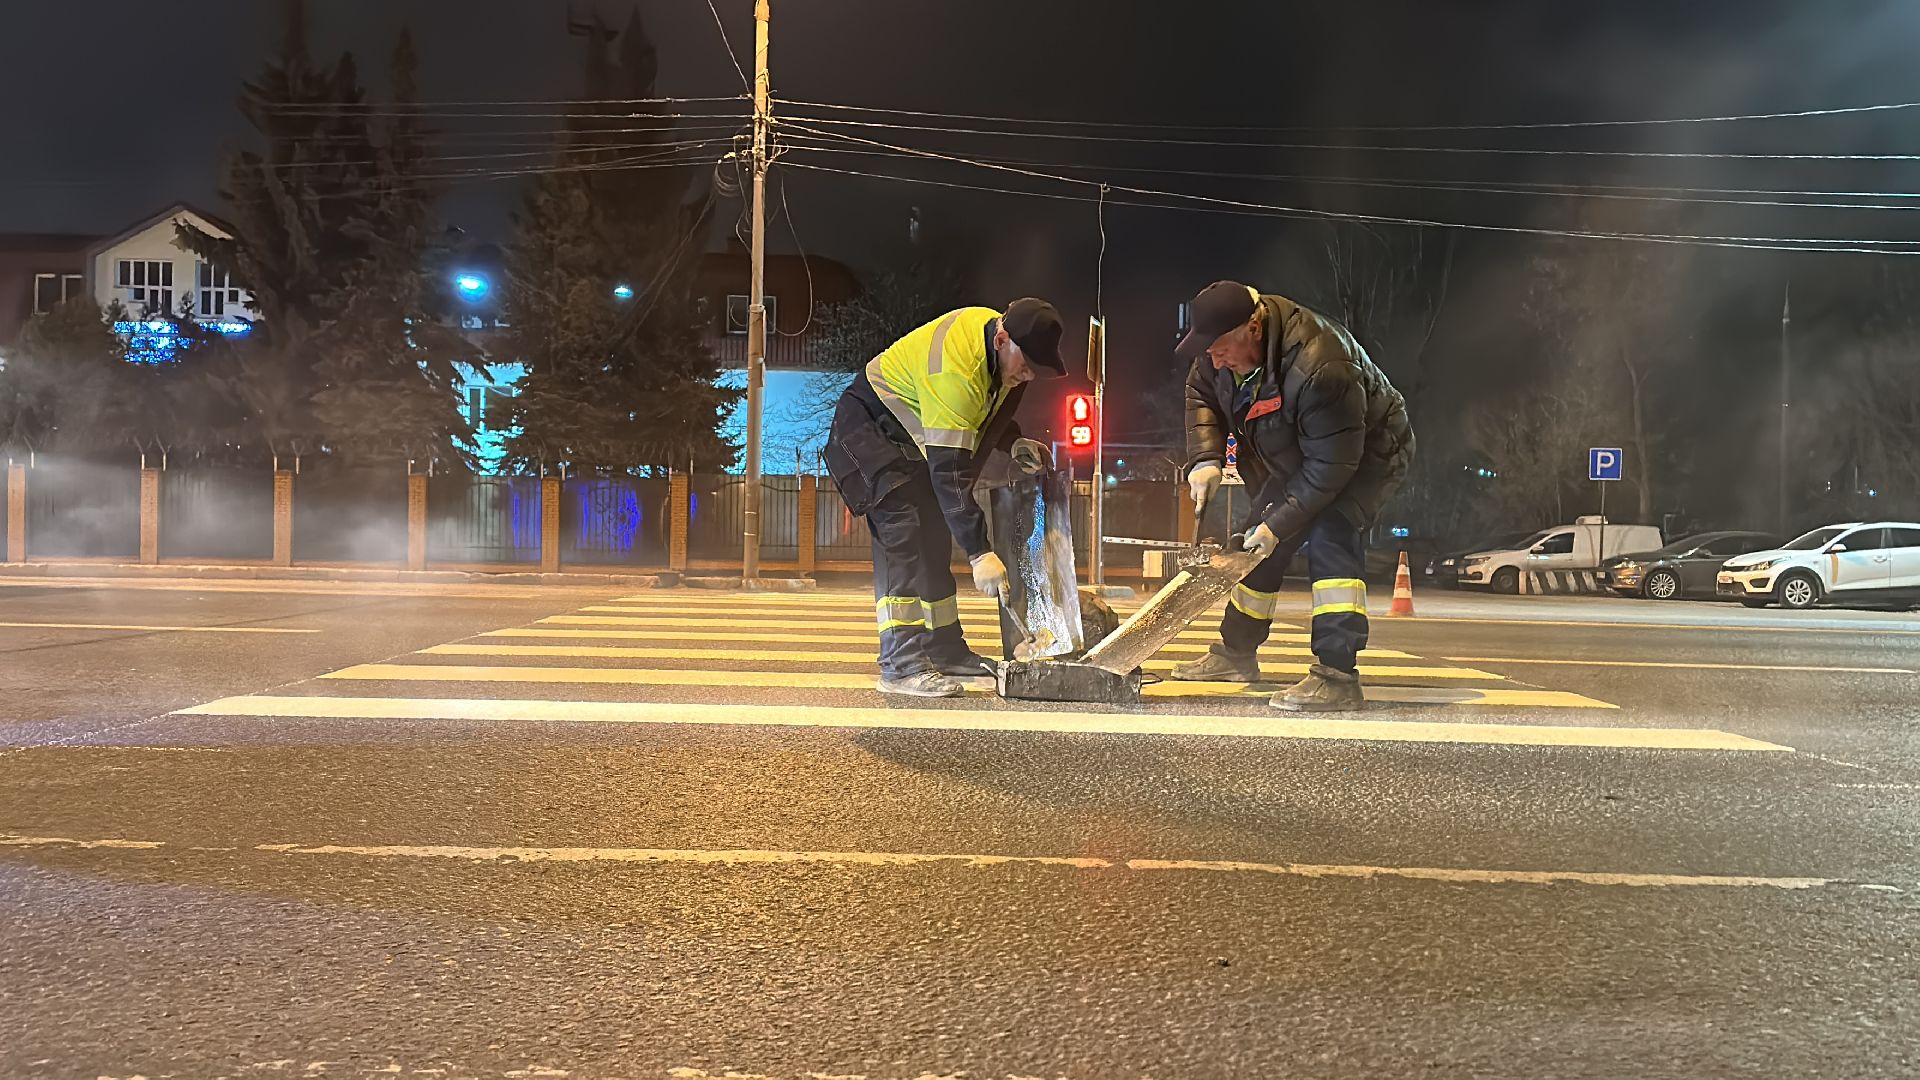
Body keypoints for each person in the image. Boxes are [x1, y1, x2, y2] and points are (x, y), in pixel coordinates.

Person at [1170, 281, 1414, 711]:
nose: (1213, 357)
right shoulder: (1218, 356)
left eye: (1220, 347)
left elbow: (1330, 470)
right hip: (1303, 455)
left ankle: (1337, 677)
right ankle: (1235, 655)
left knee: (1330, 538)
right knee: (1254, 545)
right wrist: (1205, 459)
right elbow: (1201, 392)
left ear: (1254, 328)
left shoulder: (1321, 365)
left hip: (1363, 456)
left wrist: (1277, 526)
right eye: (1206, 349)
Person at [824, 298, 1067, 698]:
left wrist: (1012, 440)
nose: (1028, 376)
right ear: (1002, 339)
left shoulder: (1001, 358)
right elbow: (950, 470)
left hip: (908, 443)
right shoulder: (956, 369)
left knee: (935, 538)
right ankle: (900, 664)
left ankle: (946, 650)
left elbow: (984, 417)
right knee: (902, 536)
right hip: (869, 436)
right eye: (1026, 364)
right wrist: (979, 551)